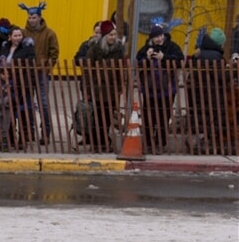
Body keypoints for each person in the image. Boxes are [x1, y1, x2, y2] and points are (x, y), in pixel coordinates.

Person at [136, 24, 183, 154]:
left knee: (163, 116)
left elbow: (180, 60)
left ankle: (160, 144)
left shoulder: (172, 47)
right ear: (152, 37)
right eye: (156, 36)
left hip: (167, 89)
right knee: (148, 117)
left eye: (160, 35)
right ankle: (148, 143)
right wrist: (146, 57)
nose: (159, 38)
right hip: (150, 89)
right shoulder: (146, 48)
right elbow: (138, 61)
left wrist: (164, 58)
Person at [82, 21, 125, 153]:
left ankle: (104, 142)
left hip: (111, 90)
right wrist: (88, 89)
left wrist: (119, 87)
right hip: (97, 89)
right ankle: (96, 143)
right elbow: (87, 71)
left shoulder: (118, 51)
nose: (113, 37)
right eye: (110, 35)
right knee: (97, 117)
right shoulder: (94, 50)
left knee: (107, 118)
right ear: (105, 35)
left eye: (114, 34)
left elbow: (120, 70)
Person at [20, 1, 59, 144]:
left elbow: (54, 52)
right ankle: (29, 131)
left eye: (34, 17)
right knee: (27, 102)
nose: (32, 20)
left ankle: (45, 133)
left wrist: (47, 67)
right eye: (30, 17)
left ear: (40, 17)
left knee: (43, 103)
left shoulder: (49, 33)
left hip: (41, 73)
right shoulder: (23, 33)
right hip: (27, 73)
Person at [187, 26, 227, 153]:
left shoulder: (199, 53)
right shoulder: (216, 57)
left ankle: (194, 140)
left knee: (198, 114)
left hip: (197, 90)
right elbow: (222, 77)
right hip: (212, 92)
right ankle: (207, 142)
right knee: (213, 116)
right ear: (219, 43)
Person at [0, 26, 36, 146]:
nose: (18, 38)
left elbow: (30, 67)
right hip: (7, 83)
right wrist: (2, 75)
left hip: (22, 84)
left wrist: (21, 81)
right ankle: (10, 137)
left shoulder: (27, 48)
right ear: (10, 37)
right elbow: (1, 62)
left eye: (20, 35)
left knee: (23, 112)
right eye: (15, 35)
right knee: (9, 111)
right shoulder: (5, 47)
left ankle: (23, 139)